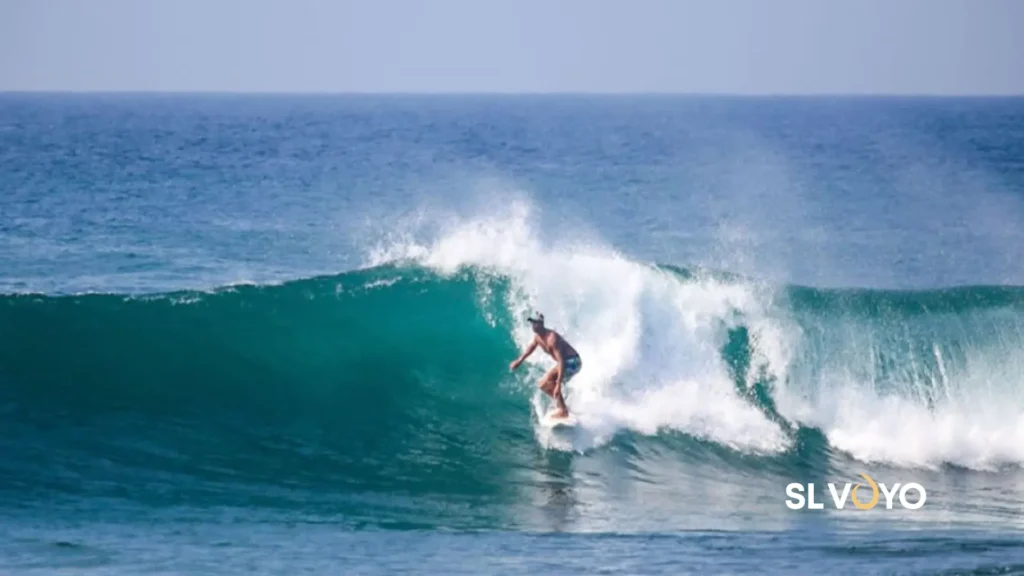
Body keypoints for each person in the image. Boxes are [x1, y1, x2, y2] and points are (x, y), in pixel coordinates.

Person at [509, 312, 582, 418]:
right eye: (532, 323)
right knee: (543, 385)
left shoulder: (552, 339)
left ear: (541, 323)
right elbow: (531, 348)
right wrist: (519, 361)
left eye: (535, 323)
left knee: (549, 381)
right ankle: (563, 406)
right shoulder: (538, 337)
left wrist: (558, 384)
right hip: (567, 363)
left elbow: (561, 361)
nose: (533, 325)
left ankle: (563, 410)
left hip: (572, 362)